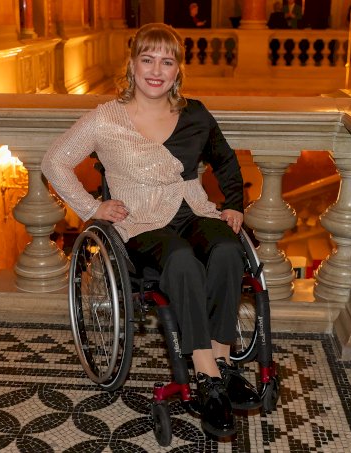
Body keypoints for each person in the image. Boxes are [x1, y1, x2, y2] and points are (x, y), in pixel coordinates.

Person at [41, 23, 261, 438]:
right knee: (181, 259)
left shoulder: (195, 113)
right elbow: (55, 161)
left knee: (228, 248)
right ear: (132, 65)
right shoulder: (105, 118)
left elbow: (226, 160)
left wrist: (233, 204)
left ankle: (223, 362)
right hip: (140, 221)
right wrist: (92, 207)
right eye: (148, 60)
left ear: (178, 70)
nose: (156, 71)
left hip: (193, 209)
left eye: (166, 61)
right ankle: (207, 375)